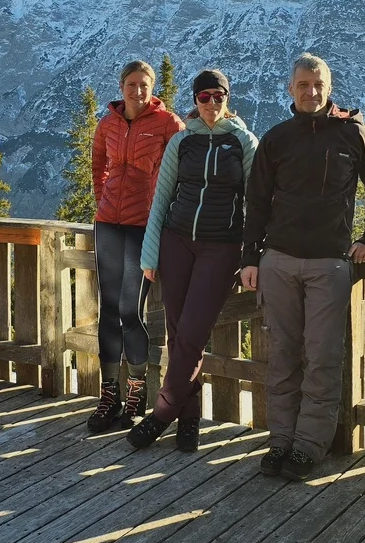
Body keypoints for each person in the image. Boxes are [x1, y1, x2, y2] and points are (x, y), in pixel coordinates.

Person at [240, 53, 365, 481]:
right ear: (290, 89)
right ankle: (280, 440)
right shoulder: (277, 139)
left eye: (318, 84)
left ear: (329, 87)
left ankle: (308, 446)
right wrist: (250, 257)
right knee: (282, 356)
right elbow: (256, 201)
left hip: (329, 263)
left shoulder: (352, 133)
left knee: (323, 357)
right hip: (278, 261)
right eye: (303, 84)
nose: (311, 91)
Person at [126, 69, 258, 451]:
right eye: (204, 97)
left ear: (227, 99)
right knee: (178, 335)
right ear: (196, 100)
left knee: (192, 333)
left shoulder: (244, 142)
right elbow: (161, 199)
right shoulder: (182, 141)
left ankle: (161, 414)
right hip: (176, 244)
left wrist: (252, 254)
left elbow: (257, 204)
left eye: (219, 96)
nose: (212, 103)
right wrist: (150, 252)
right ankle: (189, 420)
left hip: (221, 248)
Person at [86, 59, 184, 434]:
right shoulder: (108, 123)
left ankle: (136, 396)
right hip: (108, 225)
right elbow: (98, 164)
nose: (138, 91)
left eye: (144, 84)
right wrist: (102, 200)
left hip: (144, 227)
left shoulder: (167, 123)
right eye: (132, 84)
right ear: (121, 86)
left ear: (152, 87)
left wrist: (163, 215)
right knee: (108, 311)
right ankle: (108, 396)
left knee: (131, 310)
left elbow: (179, 171)